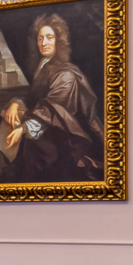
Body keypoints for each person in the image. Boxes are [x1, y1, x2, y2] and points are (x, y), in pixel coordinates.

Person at [19, 12, 103, 182]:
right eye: (40, 38)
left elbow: (52, 107)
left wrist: (22, 128)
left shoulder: (66, 74)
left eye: (49, 37)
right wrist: (16, 103)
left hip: (63, 146)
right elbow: (34, 101)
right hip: (44, 142)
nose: (44, 43)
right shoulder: (43, 68)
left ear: (59, 40)